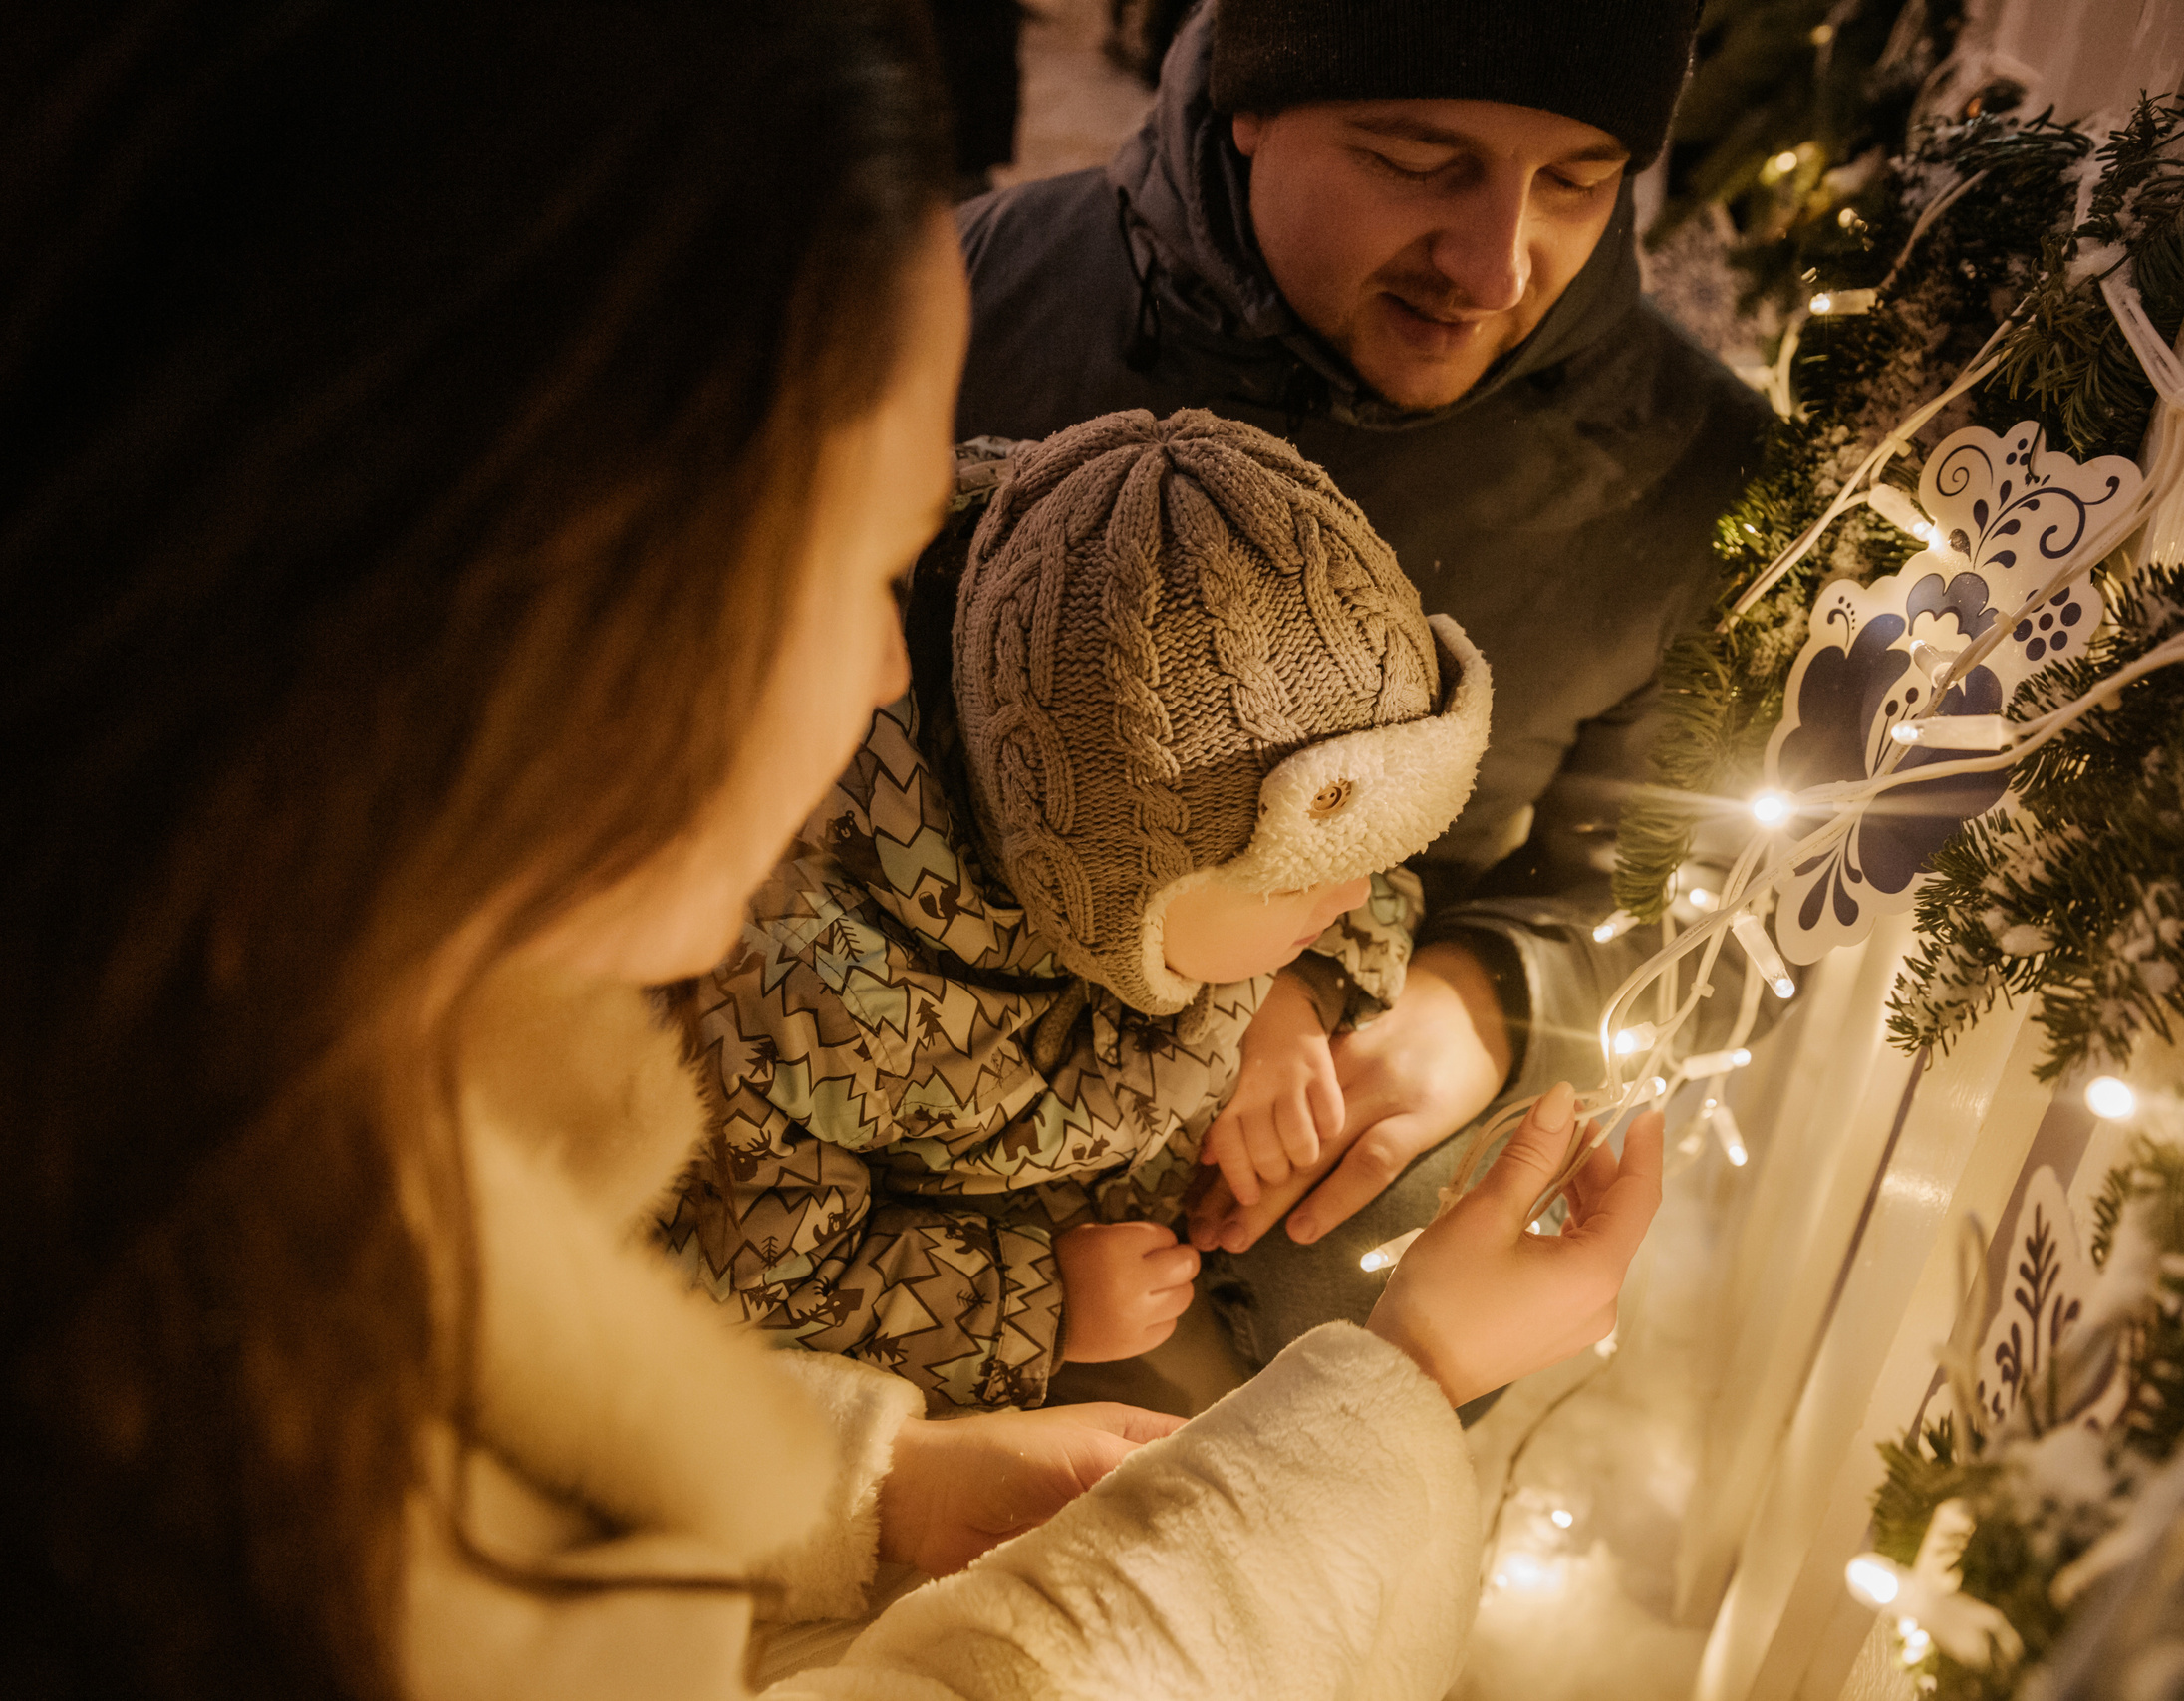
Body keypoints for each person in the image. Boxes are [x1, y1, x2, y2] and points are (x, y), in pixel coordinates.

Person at [0, 6, 1662, 1700]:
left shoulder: (311, 1132)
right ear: (531, 569)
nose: (892, 672)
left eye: (1585, 179)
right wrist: (1399, 1384)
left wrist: (861, 1488)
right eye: (880, 560)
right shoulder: (203, 1452)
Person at [949, 0, 1774, 1364]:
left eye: (1576, 181)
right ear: (1255, 105)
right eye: (1416, 158)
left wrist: (1490, 1002)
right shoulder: (973, 295)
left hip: (1287, 1201)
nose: (1498, 264)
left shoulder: (1703, 482)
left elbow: (1717, 892)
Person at [666, 407, 1493, 1411]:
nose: (1355, 891)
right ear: (1102, 887)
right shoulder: (806, 993)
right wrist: (1034, 1302)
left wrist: (1298, 993)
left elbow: (1366, 870)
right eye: (1297, 882)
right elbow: (751, 1272)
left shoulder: (1282, 872)